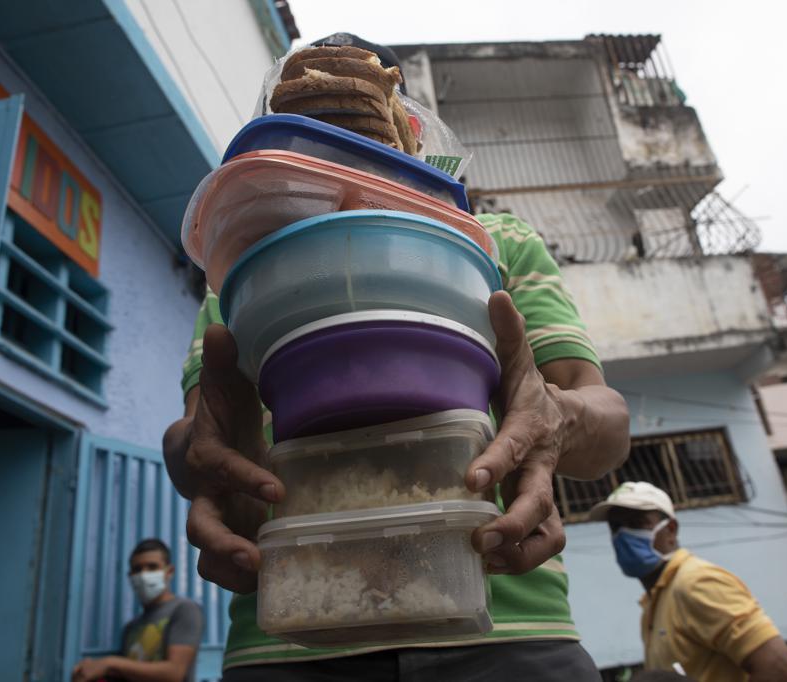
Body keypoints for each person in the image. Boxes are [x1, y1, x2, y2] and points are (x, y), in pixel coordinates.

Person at [162, 34, 631, 680]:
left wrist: (555, 416)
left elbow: (608, 422)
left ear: (409, 133)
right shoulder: (235, 274)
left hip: (508, 633)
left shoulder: (497, 245)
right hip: (293, 638)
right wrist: (199, 459)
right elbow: (200, 444)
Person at [590, 482, 787, 682]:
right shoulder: (655, 603)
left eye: (637, 524)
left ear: (671, 530)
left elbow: (782, 673)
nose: (623, 535)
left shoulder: (696, 582)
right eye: (615, 527)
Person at [71, 539, 204, 682]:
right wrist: (92, 669)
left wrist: (109, 663)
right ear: (130, 576)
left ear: (169, 571)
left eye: (152, 567)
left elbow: (174, 673)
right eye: (137, 569)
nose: (143, 575)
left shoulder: (185, 610)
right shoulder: (131, 628)